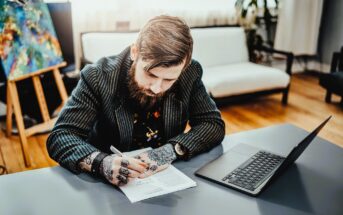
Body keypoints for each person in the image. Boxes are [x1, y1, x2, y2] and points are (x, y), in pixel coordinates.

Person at [47, 15, 225, 186]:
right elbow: (60, 136)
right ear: (135, 52)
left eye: (169, 80)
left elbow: (212, 124)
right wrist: (101, 163)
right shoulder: (98, 77)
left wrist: (172, 150)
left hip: (164, 179)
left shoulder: (190, 73)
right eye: (150, 74)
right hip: (104, 186)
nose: (156, 88)